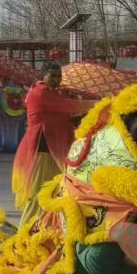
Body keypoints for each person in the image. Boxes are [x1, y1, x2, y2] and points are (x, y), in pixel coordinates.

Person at [11, 63, 89, 219]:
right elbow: (71, 107)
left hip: (53, 147)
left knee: (55, 191)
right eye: (52, 76)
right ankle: (27, 229)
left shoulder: (53, 94)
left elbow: (62, 115)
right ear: (43, 76)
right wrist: (102, 103)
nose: (56, 79)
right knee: (38, 193)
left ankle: (46, 226)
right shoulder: (41, 93)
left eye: (59, 76)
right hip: (43, 147)